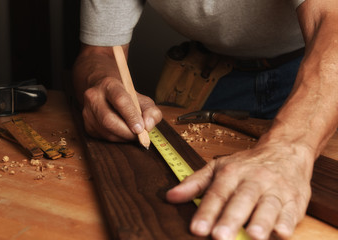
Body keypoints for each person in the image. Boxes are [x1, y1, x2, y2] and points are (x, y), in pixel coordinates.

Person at [73, 0, 338, 239]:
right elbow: (100, 54)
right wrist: (101, 82)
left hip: (315, 70)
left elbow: (332, 22)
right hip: (211, 73)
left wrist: (287, 149)